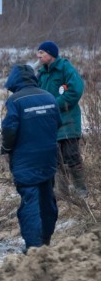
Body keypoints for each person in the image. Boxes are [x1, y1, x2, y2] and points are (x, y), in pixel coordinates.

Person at [1, 64, 61, 251]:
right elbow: (57, 122)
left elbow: (10, 129)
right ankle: (46, 241)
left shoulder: (15, 101)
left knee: (30, 204)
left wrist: (6, 148)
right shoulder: (49, 97)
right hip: (48, 158)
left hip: (25, 161)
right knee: (47, 200)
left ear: (14, 81)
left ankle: (34, 249)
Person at [36, 41, 87, 197]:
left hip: (68, 121)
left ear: (51, 54)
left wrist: (54, 105)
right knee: (55, 160)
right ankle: (63, 194)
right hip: (50, 124)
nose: (38, 56)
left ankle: (81, 191)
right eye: (38, 53)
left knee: (72, 156)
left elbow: (76, 90)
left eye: (42, 53)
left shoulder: (66, 68)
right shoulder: (42, 73)